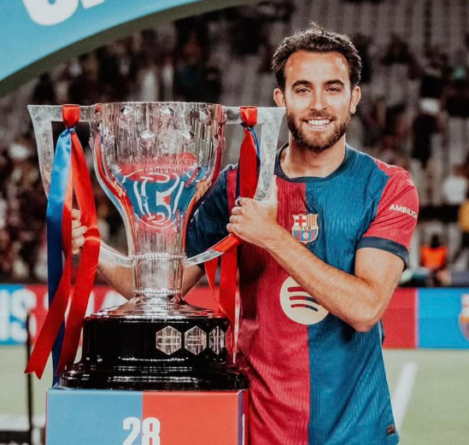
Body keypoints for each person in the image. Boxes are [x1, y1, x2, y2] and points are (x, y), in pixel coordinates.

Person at [72, 24, 418, 445]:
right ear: (281, 99)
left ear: (354, 97)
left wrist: (271, 235)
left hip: (358, 433)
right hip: (261, 430)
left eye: (333, 88)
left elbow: (366, 308)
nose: (318, 104)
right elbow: (162, 289)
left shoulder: (387, 186)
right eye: (303, 89)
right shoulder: (238, 185)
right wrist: (92, 247)